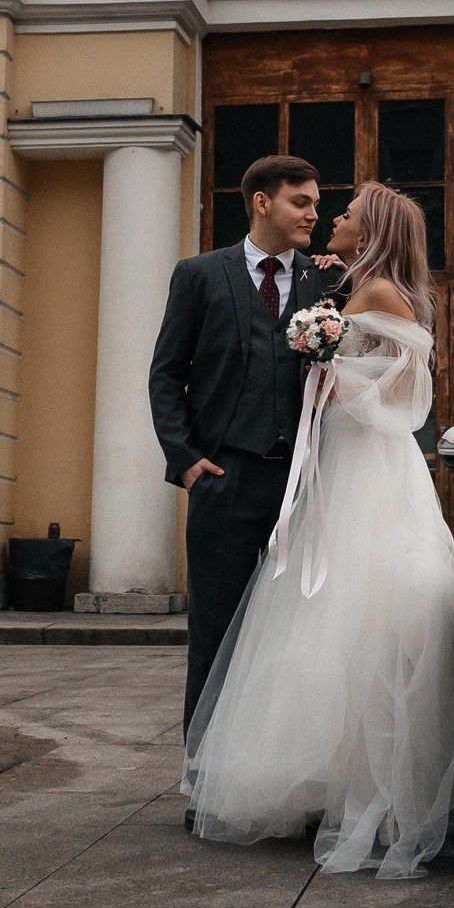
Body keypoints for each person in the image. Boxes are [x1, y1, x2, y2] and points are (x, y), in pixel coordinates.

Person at [181, 181, 454, 878]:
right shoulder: (363, 287)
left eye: (345, 215)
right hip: (345, 464)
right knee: (326, 614)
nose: (331, 219)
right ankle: (337, 782)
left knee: (346, 615)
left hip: (368, 467)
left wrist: (333, 374)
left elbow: (406, 396)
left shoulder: (376, 296)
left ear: (366, 235)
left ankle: (362, 790)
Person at [148, 154, 330, 738]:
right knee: (215, 634)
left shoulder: (325, 279)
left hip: (301, 487)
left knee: (295, 638)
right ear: (262, 202)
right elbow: (166, 373)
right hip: (223, 482)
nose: (313, 213)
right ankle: (203, 777)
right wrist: (185, 461)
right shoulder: (199, 275)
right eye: (301, 202)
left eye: (317, 203)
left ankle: (274, 777)